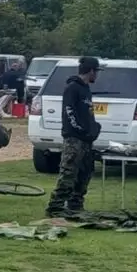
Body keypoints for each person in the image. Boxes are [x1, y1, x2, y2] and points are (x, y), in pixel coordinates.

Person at [46, 56, 103, 217]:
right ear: (91, 71)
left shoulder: (86, 89)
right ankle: (55, 207)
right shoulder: (72, 88)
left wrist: (94, 128)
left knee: (85, 172)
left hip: (86, 140)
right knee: (69, 171)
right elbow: (69, 113)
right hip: (74, 138)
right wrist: (81, 130)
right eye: (96, 72)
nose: (96, 76)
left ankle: (75, 204)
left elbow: (88, 113)